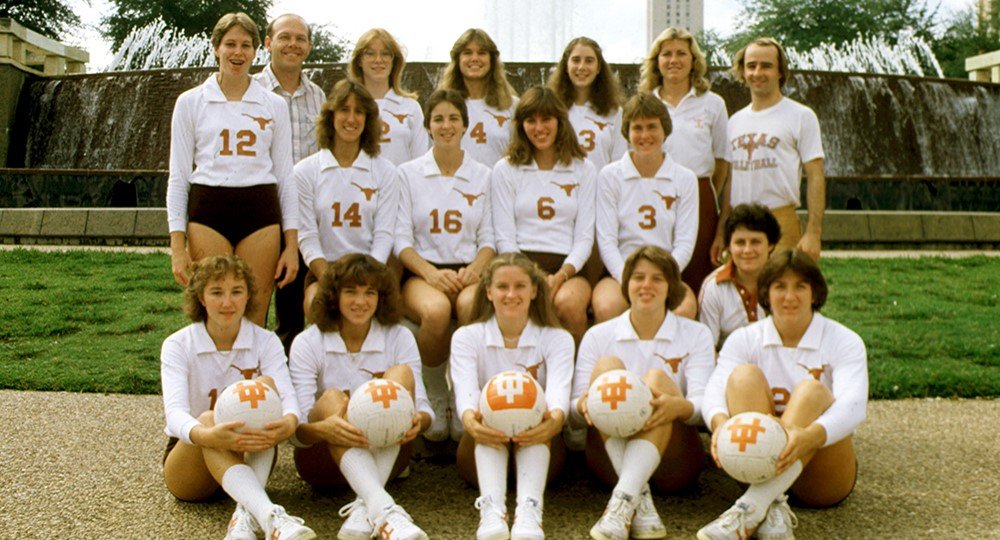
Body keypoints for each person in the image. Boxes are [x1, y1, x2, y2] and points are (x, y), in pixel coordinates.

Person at [698, 249, 868, 540]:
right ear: (765, 292)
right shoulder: (745, 338)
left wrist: (810, 436)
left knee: (812, 390)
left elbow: (854, 407)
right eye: (779, 286)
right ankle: (770, 504)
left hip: (821, 478)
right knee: (743, 376)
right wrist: (719, 424)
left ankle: (751, 508)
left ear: (815, 293)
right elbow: (714, 389)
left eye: (800, 286)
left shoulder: (844, 340)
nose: (790, 296)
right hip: (755, 467)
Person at [160, 254, 315, 540]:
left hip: (248, 450)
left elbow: (289, 399)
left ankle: (246, 516)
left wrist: (290, 422)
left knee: (266, 388)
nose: (227, 302)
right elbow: (175, 415)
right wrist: (209, 435)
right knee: (207, 418)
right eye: (216, 293)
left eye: (236, 292)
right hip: (192, 461)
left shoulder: (265, 341)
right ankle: (270, 515)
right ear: (201, 298)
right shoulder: (178, 345)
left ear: (248, 297)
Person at [572, 246, 714, 540]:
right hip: (610, 462)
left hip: (674, 462)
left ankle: (625, 498)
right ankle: (637, 499)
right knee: (607, 368)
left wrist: (678, 407)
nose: (646, 285)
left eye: (657, 278)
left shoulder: (697, 334)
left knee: (656, 379)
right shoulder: (598, 335)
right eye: (638, 277)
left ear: (671, 287)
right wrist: (585, 404)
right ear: (626, 284)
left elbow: (703, 406)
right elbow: (573, 413)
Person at [167, 12, 298, 326]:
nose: (238, 52)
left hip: (260, 211)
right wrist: (177, 244)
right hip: (208, 210)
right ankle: (211, 376)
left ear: (256, 51)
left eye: (246, 45)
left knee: (254, 309)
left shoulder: (274, 105)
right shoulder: (190, 102)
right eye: (230, 44)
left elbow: (285, 176)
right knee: (213, 309)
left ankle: (251, 376)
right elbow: (178, 175)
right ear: (216, 48)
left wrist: (291, 244)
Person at [289, 254, 431, 540]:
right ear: (333, 296)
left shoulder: (399, 336)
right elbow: (296, 430)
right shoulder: (308, 341)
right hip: (323, 461)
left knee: (401, 374)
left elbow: (425, 410)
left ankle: (366, 506)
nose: (360, 301)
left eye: (370, 292)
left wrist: (418, 421)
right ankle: (384, 509)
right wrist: (323, 428)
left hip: (389, 454)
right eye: (350, 291)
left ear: (382, 297)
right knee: (332, 399)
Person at [450, 253, 575, 540]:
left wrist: (551, 422)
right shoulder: (467, 337)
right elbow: (466, 401)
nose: (511, 294)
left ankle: (530, 510)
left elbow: (558, 402)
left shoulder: (557, 338)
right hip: (480, 447)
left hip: (540, 445)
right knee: (491, 416)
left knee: (533, 414)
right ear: (489, 292)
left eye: (520, 286)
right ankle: (491, 511)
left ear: (534, 290)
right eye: (502, 286)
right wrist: (473, 422)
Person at [395, 89, 496, 441]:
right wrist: (430, 273)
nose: (446, 125)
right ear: (428, 126)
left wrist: (475, 270)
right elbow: (401, 241)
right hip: (424, 270)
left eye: (453, 118)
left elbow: (489, 239)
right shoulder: (408, 174)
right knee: (437, 311)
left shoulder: (483, 174)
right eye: (438, 118)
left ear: (465, 125)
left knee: (470, 306)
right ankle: (437, 392)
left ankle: (465, 394)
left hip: (469, 269)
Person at [491, 86, 596, 344]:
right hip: (519, 263)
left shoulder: (583, 168)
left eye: (546, 119)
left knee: (568, 305)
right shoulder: (506, 169)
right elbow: (504, 237)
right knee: (516, 302)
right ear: (520, 125)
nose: (539, 128)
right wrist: (529, 276)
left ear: (560, 122)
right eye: (531, 120)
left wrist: (561, 275)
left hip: (568, 267)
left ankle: (577, 377)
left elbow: (584, 237)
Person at [713, 37, 825, 265]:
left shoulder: (801, 116)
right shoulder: (734, 121)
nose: (757, 72)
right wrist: (721, 230)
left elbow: (815, 175)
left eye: (766, 66)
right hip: (740, 223)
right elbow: (730, 183)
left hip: (781, 220)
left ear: (780, 72)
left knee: (781, 293)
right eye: (751, 66)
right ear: (742, 72)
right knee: (740, 295)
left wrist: (814, 233)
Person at [295, 79, 399, 316]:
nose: (351, 119)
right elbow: (308, 237)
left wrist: (364, 280)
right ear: (331, 115)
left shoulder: (385, 171)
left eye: (359, 112)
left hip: (372, 268)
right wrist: (330, 278)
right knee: (315, 303)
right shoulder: (305, 171)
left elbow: (384, 235)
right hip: (326, 268)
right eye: (344, 110)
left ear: (368, 119)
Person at [592, 93, 699, 323]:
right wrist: (629, 279)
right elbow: (607, 241)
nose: (645, 135)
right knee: (606, 306)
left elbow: (684, 243)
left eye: (652, 127)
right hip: (620, 271)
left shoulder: (685, 178)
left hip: (666, 271)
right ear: (627, 133)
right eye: (637, 128)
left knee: (684, 309)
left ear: (665, 129)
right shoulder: (610, 176)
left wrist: (661, 277)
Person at [640, 27, 730, 296]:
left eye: (681, 53)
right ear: (656, 61)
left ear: (694, 61)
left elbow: (722, 161)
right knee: (655, 269)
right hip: (652, 194)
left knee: (697, 274)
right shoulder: (645, 103)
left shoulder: (713, 104)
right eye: (666, 54)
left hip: (700, 194)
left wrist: (697, 190)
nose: (673, 60)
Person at [255, 13, 326, 353]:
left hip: (302, 212)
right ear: (268, 43)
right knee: (252, 299)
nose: (292, 44)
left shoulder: (319, 97)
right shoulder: (251, 92)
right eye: (285, 37)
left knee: (292, 305)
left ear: (309, 47)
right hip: (261, 206)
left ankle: (288, 378)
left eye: (300, 38)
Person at [698, 203, 781, 350]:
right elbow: (707, 350)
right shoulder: (713, 286)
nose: (747, 250)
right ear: (729, 247)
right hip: (730, 367)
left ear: (770, 245)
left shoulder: (784, 283)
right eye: (740, 242)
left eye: (755, 242)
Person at [347, 28, 429, 165]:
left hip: (401, 186)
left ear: (394, 61)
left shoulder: (411, 107)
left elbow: (421, 162)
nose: (378, 60)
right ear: (359, 61)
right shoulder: (347, 107)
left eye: (385, 54)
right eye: (370, 54)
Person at [437, 28, 518, 167]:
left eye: (482, 53)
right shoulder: (443, 106)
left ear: (492, 60)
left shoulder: (511, 105)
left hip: (499, 187)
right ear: (458, 60)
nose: (475, 58)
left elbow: (521, 154)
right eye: (467, 53)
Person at [548, 36, 627, 170]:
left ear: (598, 68)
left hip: (600, 190)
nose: (582, 67)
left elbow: (618, 163)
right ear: (566, 66)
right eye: (576, 60)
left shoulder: (614, 112)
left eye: (589, 61)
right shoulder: (551, 109)